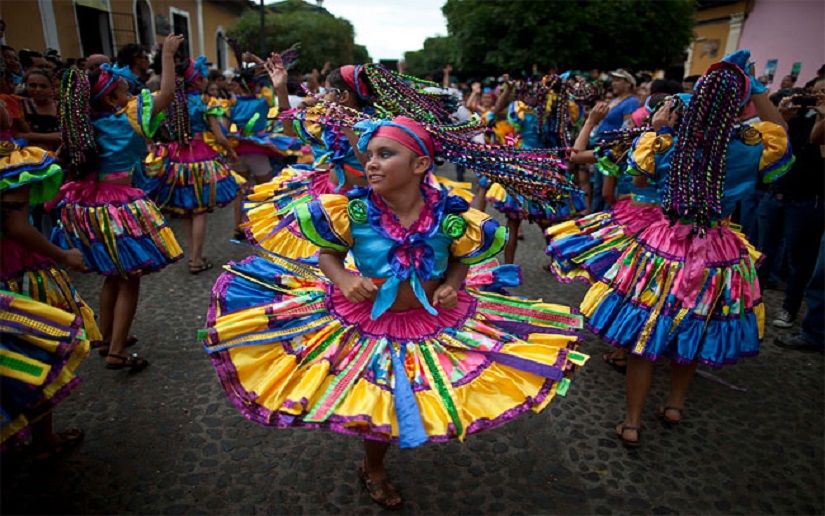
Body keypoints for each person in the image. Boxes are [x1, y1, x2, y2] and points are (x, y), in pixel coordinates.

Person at [201, 115, 586, 510]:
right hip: (368, 320)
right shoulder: (354, 211)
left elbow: (461, 258)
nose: (370, 163)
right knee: (380, 395)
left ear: (420, 165)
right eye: (369, 155)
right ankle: (374, 466)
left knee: (427, 389)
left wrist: (454, 284)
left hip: (430, 320)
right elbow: (328, 255)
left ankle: (397, 442)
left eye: (385, 155)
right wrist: (343, 280)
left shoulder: (449, 213)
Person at [580, 52, 791, 447]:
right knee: (696, 325)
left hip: (663, 248)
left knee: (645, 334)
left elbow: (635, 178)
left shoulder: (662, 142)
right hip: (719, 252)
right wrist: (755, 86)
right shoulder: (749, 144)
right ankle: (675, 404)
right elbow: (779, 128)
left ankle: (631, 422)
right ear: (739, 106)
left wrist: (655, 129)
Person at [49, 34, 186, 370]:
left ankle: (107, 337)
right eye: (125, 91)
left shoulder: (85, 125)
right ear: (111, 98)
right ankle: (117, 352)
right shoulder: (127, 119)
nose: (131, 95)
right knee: (129, 278)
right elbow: (167, 93)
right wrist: (167, 55)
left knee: (112, 275)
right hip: (118, 205)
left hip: (85, 204)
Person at [143, 54, 239, 274]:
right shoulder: (206, 103)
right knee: (199, 211)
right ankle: (196, 258)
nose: (206, 80)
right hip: (200, 157)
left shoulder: (172, 102)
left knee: (187, 209)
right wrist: (229, 150)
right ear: (196, 80)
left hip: (175, 157)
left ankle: (193, 255)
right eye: (203, 77)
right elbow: (219, 135)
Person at [759, 84, 825, 329]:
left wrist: (821, 115)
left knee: (799, 260)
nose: (817, 96)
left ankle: (790, 308)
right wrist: (781, 115)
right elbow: (770, 149)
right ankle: (752, 305)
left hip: (807, 201)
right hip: (774, 196)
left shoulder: (816, 124)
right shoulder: (790, 121)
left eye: (823, 92)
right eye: (814, 92)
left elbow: (818, 147)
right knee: (762, 254)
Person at [15, 69, 60, 151]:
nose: (38, 89)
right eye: (33, 85)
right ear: (26, 86)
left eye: (43, 86)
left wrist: (30, 136)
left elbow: (67, 135)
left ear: (52, 88)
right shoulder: (20, 105)